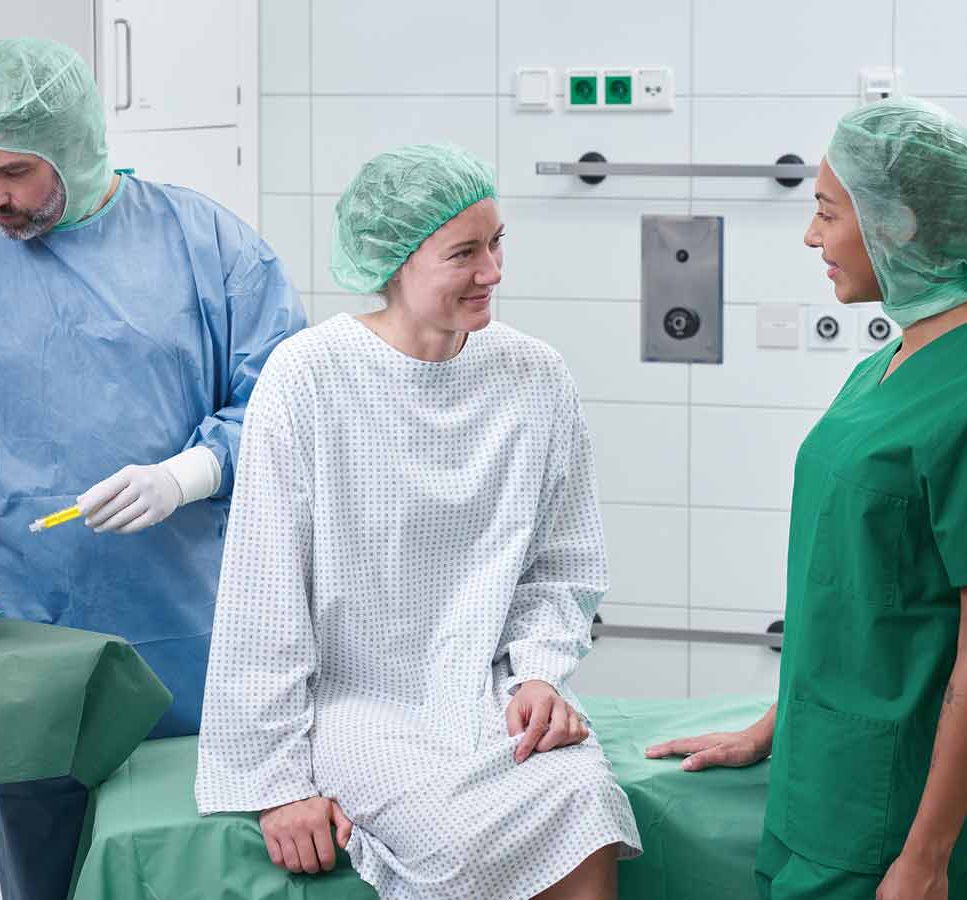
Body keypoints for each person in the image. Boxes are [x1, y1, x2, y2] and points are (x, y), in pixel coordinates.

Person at [0, 38, 305, 900]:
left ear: (74, 147)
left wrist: (191, 474)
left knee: (192, 871)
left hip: (190, 642)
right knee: (44, 874)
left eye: (12, 171)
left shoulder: (206, 246)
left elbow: (286, 406)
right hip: (29, 648)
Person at [194, 144, 641, 900]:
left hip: (491, 690)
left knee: (586, 798)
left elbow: (561, 563)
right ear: (395, 261)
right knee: (461, 837)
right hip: (359, 703)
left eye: (497, 243)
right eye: (464, 253)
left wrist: (536, 673)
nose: (493, 272)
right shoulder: (308, 377)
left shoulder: (535, 375)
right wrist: (276, 781)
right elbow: (262, 595)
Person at [646, 98, 967, 900]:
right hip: (821, 778)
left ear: (899, 225)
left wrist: (928, 856)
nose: (812, 238)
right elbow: (853, 591)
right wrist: (771, 730)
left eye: (827, 213)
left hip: (894, 811)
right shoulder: (889, 362)